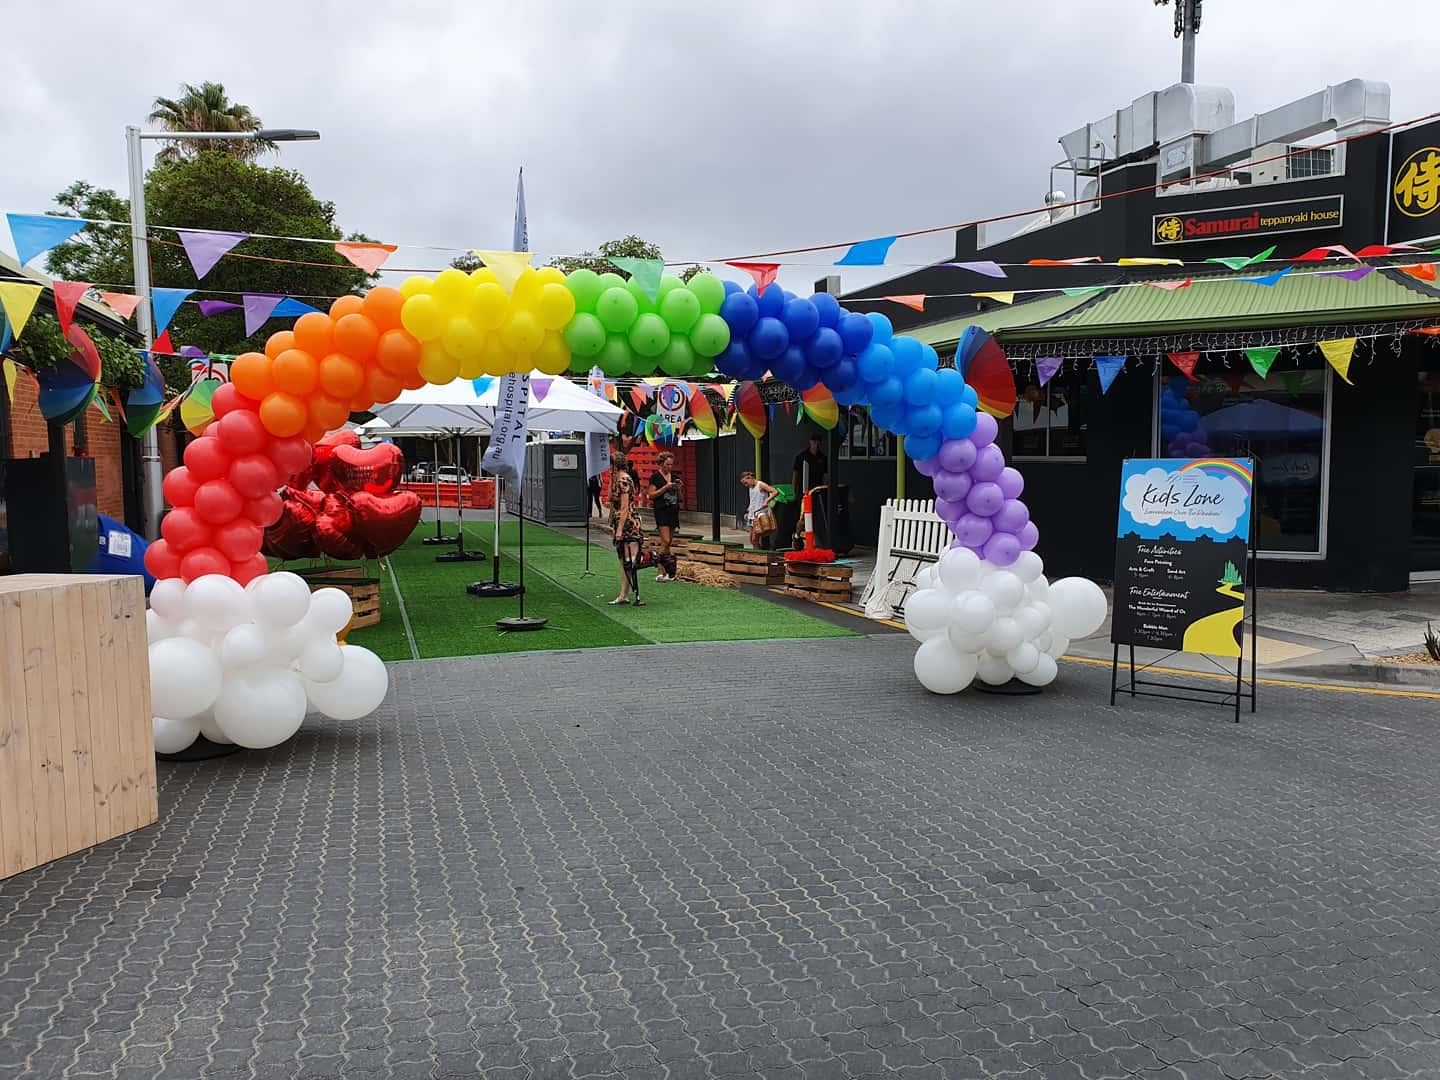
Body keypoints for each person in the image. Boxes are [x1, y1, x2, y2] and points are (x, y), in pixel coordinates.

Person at [607, 454, 645, 606]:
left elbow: (624, 508)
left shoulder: (624, 480)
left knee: (629, 560)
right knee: (623, 559)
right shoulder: (617, 479)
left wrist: (619, 531)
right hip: (621, 522)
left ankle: (628, 593)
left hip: (628, 523)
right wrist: (610, 479)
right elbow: (610, 497)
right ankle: (624, 594)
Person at [648, 451, 683, 580]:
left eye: (671, 464)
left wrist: (678, 488)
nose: (669, 467)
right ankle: (660, 570)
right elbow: (651, 495)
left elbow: (681, 498)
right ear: (661, 463)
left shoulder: (674, 476)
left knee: (668, 543)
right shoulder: (655, 477)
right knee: (666, 540)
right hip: (661, 510)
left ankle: (668, 571)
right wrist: (665, 487)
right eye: (667, 464)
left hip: (673, 511)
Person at [740, 471, 779, 548]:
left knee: (755, 539)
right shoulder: (751, 488)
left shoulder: (760, 485)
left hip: (759, 515)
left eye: (745, 483)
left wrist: (767, 501)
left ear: (749, 478)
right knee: (752, 540)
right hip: (752, 515)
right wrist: (747, 512)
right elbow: (752, 501)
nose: (745, 485)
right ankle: (758, 553)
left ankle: (759, 554)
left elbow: (775, 492)